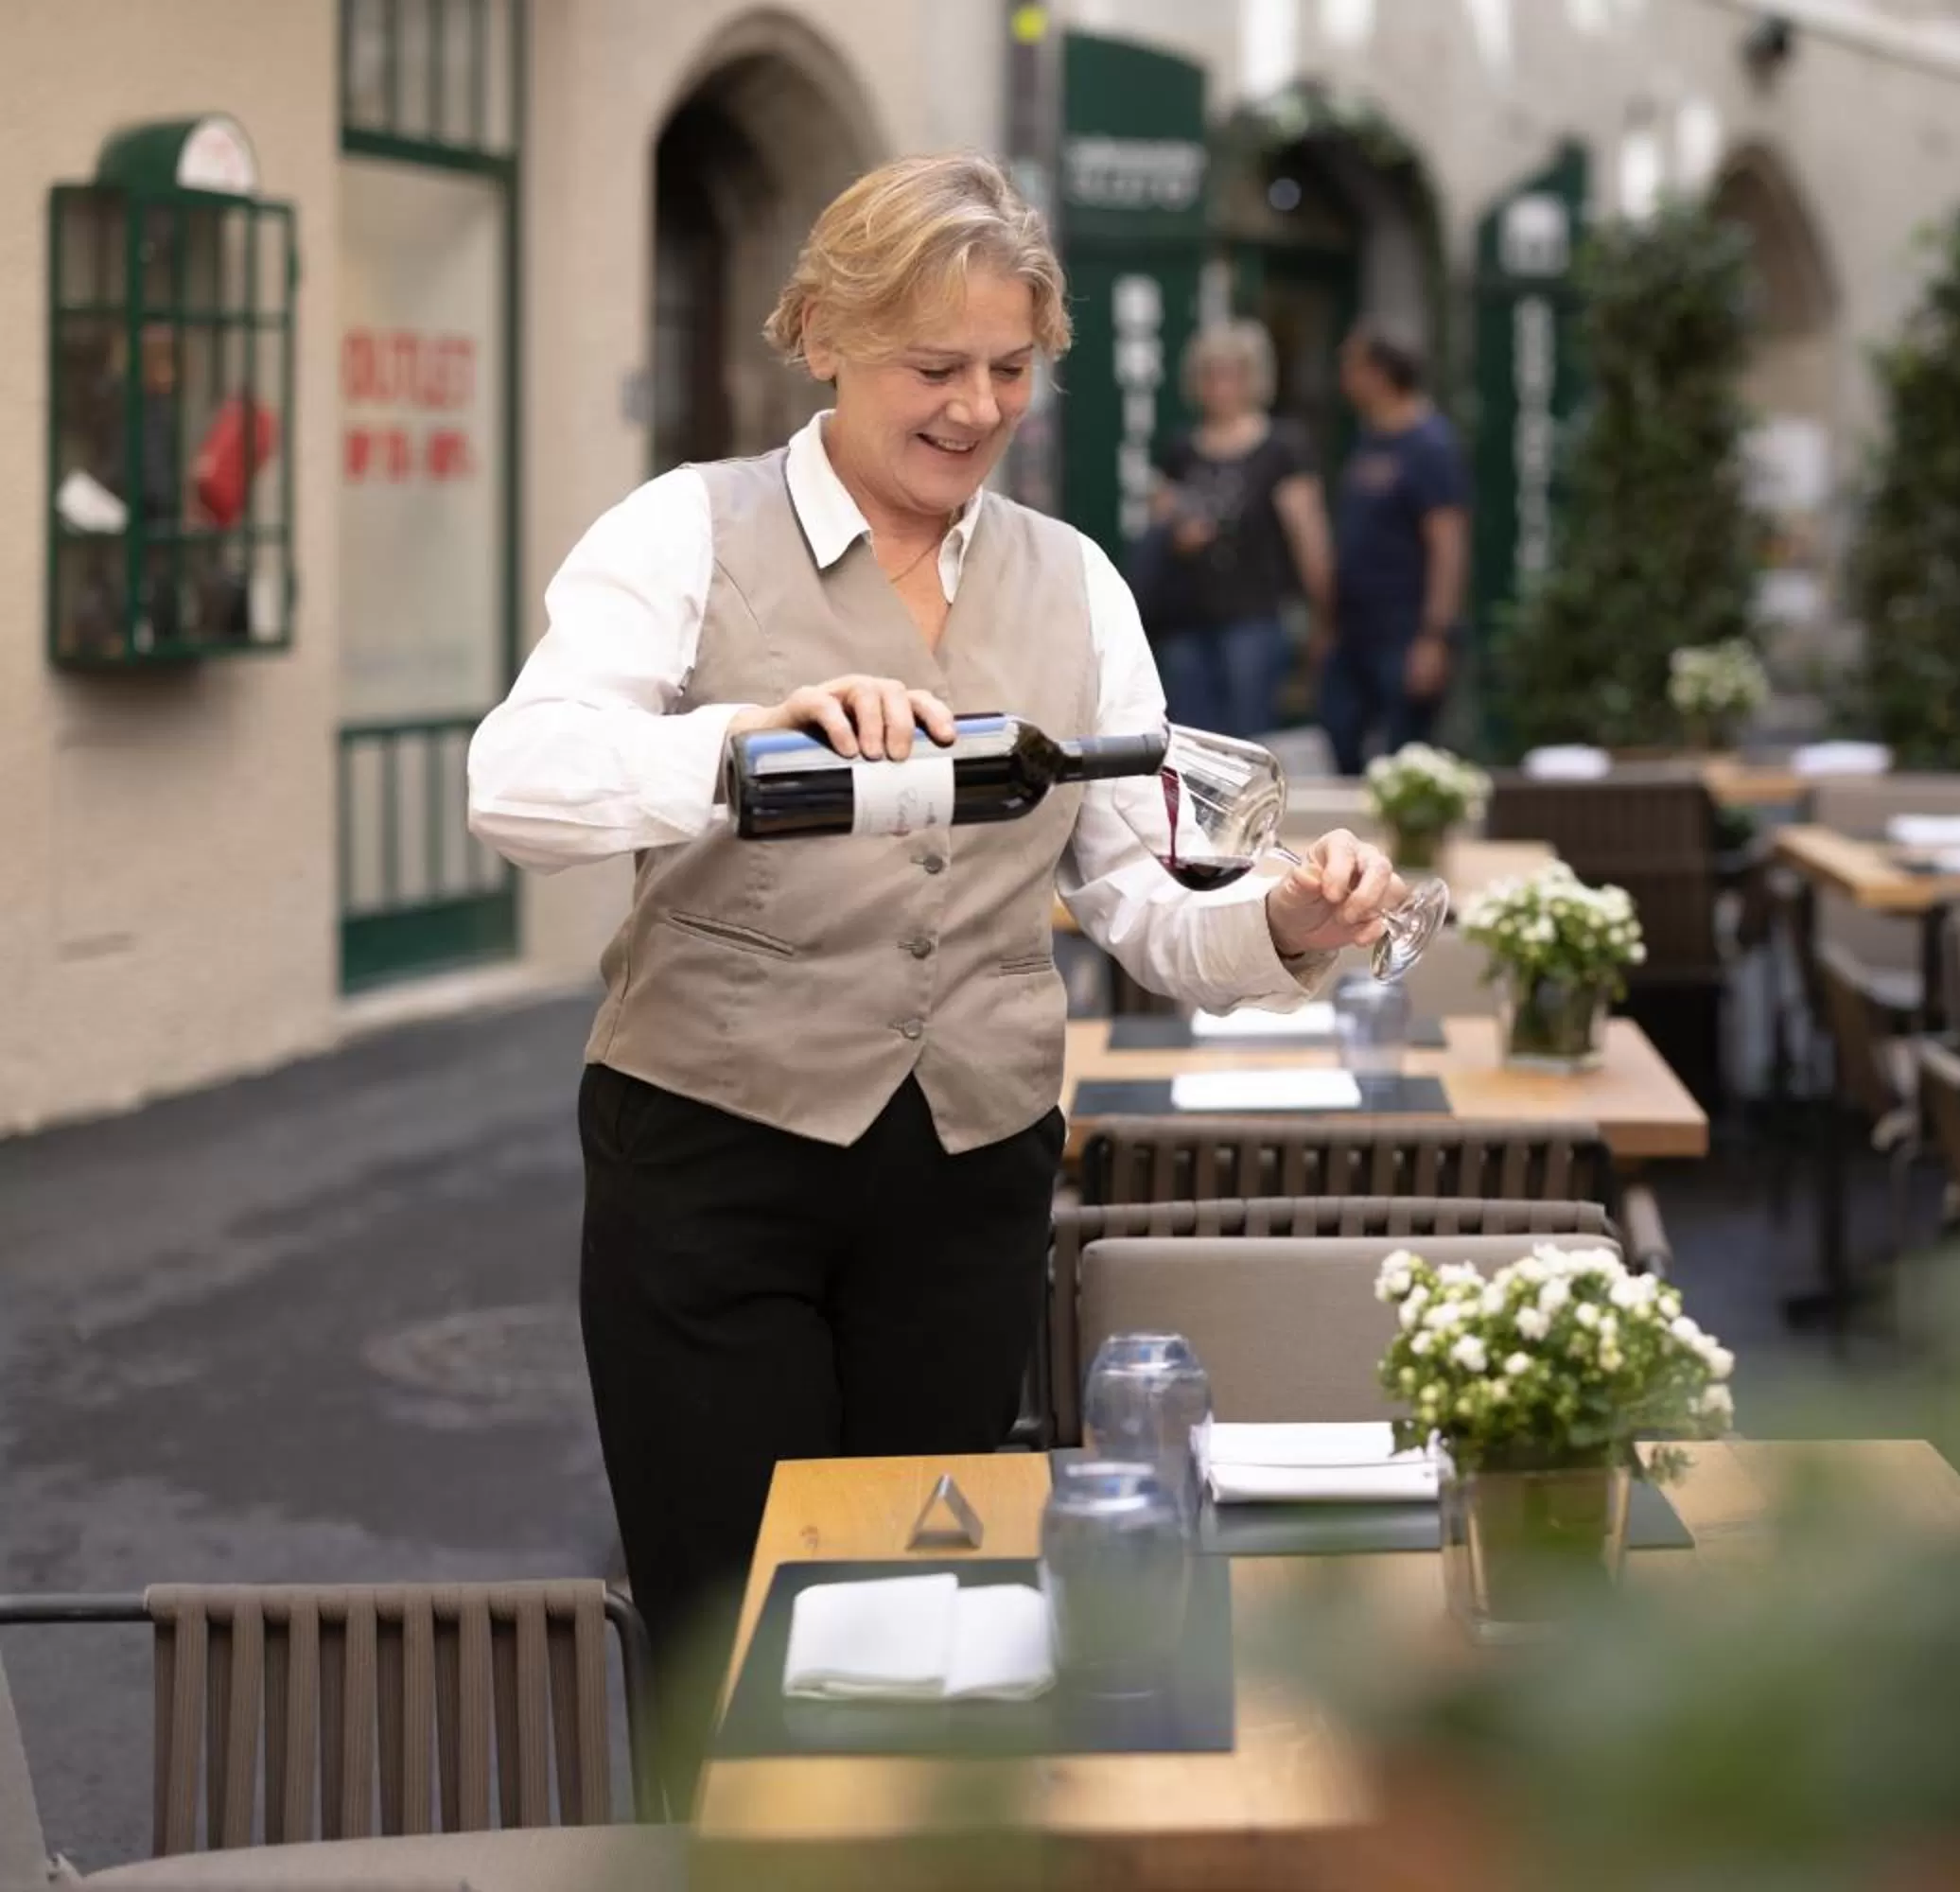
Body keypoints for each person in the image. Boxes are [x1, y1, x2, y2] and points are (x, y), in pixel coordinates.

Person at [464, 153, 1406, 1798]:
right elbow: (519, 786)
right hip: (714, 1158)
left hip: (969, 1170)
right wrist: (736, 739)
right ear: (823, 333)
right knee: (730, 1637)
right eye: (935, 367)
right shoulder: (685, 531)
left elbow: (1139, 894)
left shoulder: (1077, 580)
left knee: (929, 1629)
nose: (976, 409)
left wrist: (1286, 927)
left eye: (1009, 371)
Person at [1145, 319, 1333, 738]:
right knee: (1190, 739)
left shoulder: (1282, 447)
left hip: (1255, 615)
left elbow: (1309, 536)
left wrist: (1324, 615)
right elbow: (1157, 526)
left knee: (1248, 736)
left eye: (1231, 374)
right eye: (1210, 374)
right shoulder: (1181, 449)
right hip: (1187, 618)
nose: (1220, 387)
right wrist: (1178, 535)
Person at [1320, 320, 1470, 773]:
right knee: (1340, 736)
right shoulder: (1368, 438)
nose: (1344, 378)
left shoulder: (1430, 445)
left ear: (1379, 373)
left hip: (1404, 629)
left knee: (1403, 757)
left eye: (1352, 366)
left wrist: (1434, 636)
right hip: (1355, 628)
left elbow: (1449, 543)